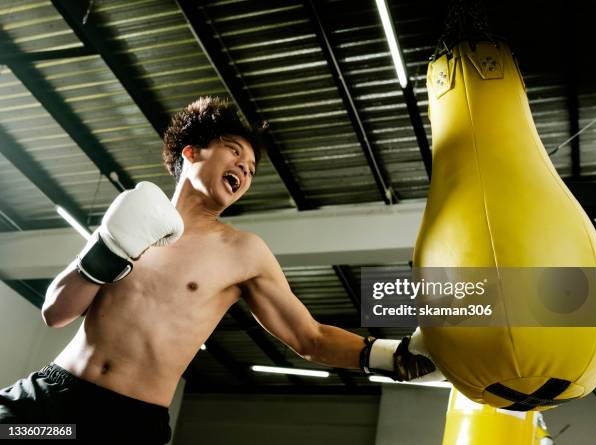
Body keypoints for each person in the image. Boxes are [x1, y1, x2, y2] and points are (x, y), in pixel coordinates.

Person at [0, 97, 442, 444]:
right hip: (52, 407)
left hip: (126, 426)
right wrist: (107, 247)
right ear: (191, 152)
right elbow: (56, 312)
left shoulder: (244, 252)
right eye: (234, 154)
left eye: (250, 169)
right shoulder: (132, 218)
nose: (244, 171)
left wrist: (394, 356)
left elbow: (310, 338)